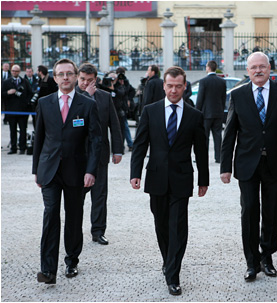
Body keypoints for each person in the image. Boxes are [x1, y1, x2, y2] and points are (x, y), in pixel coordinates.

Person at [220, 52, 277, 282]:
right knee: (249, 213)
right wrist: (225, 167)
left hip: (276, 163)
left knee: (272, 212)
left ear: (269, 69)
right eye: (253, 67)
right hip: (247, 164)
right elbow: (229, 134)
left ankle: (267, 257)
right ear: (248, 71)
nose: (258, 70)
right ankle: (251, 262)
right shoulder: (237, 95)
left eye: (262, 67)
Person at [130, 66, 209, 296]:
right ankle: (168, 260)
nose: (174, 90)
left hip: (182, 178)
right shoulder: (150, 111)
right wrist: (135, 173)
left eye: (178, 86)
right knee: (161, 223)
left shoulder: (195, 115)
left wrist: (203, 180)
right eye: (170, 86)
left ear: (185, 87)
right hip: (156, 177)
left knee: (178, 226)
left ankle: (173, 275)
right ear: (164, 86)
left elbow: (201, 151)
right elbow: (140, 145)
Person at [32, 58, 102, 284]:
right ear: (54, 78)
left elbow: (95, 141)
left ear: (75, 76)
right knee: (50, 214)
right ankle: (48, 269)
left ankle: (72, 260)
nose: (65, 77)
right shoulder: (44, 103)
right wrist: (37, 170)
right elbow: (39, 138)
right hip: (50, 171)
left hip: (77, 171)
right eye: (60, 74)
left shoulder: (87, 104)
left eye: (69, 74)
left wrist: (91, 171)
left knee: (74, 217)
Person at [76, 63, 123, 246]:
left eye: (89, 80)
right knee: (77, 196)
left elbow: (114, 124)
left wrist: (118, 150)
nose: (85, 83)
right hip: (78, 156)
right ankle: (74, 230)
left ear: (96, 80)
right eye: (82, 80)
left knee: (100, 194)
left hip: (101, 154)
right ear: (77, 78)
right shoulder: (72, 97)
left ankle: (98, 231)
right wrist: (87, 95)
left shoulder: (104, 97)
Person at [196, 60, 227, 163]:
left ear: (208, 68)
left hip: (206, 114)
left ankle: (203, 157)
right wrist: (221, 110)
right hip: (218, 112)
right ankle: (219, 157)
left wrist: (196, 112)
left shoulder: (203, 81)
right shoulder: (222, 81)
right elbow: (223, 98)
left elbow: (200, 98)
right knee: (218, 136)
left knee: (204, 137)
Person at [1, 65, 32, 154]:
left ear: (19, 72)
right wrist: (8, 92)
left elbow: (30, 93)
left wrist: (27, 102)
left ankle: (22, 147)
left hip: (22, 110)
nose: (15, 72)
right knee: (12, 130)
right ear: (11, 71)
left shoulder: (24, 81)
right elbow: (2, 94)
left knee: (23, 129)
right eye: (13, 71)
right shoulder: (6, 82)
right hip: (11, 110)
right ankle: (13, 147)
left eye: (17, 71)